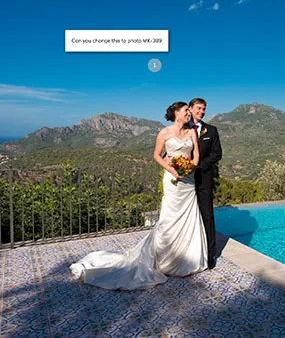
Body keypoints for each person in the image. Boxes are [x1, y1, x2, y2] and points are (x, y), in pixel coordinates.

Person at [70, 101, 208, 290]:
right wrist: (173, 170)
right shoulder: (164, 133)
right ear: (177, 113)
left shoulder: (191, 132)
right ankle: (165, 260)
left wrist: (189, 167)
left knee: (189, 218)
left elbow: (196, 156)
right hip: (173, 180)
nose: (188, 114)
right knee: (169, 219)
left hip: (188, 180)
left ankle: (188, 261)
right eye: (186, 111)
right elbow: (157, 155)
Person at [186, 98, 222, 269]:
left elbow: (217, 154)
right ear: (190, 109)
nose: (202, 111)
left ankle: (210, 254)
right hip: (184, 180)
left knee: (207, 215)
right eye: (199, 108)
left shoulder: (212, 131)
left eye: (204, 109)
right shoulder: (182, 128)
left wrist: (199, 166)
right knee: (187, 215)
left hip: (204, 178)